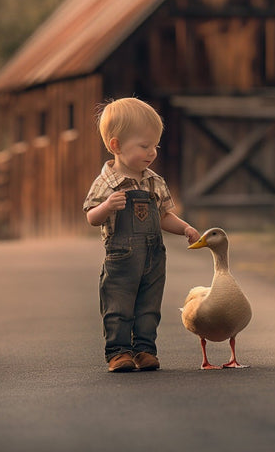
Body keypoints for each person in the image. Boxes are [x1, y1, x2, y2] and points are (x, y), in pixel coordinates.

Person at [83, 97, 199, 372]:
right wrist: (106, 207)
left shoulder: (154, 181)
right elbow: (91, 217)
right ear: (116, 146)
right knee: (119, 305)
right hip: (121, 258)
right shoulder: (106, 183)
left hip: (153, 256)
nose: (152, 152)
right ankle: (119, 352)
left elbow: (164, 216)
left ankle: (145, 349)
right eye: (144, 146)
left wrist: (185, 228)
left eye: (155, 146)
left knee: (149, 306)